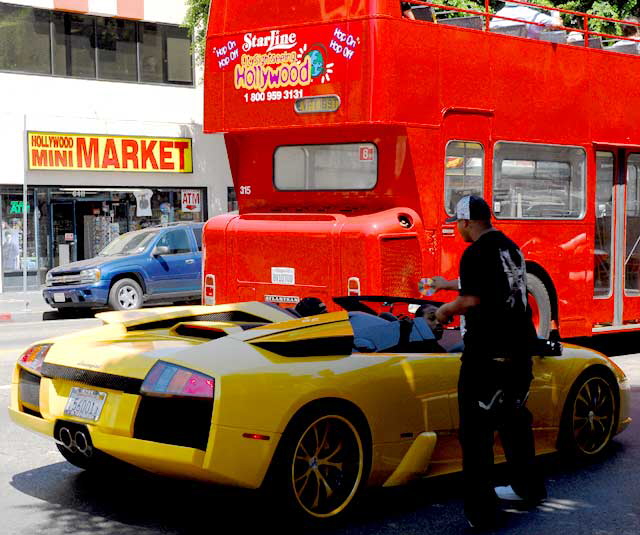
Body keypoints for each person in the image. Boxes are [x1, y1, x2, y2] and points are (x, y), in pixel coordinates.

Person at [430, 195, 545, 529]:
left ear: (467, 222)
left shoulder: (474, 252)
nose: (456, 228)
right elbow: (496, 284)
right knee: (515, 423)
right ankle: (528, 488)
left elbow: (471, 299)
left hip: (487, 357)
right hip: (519, 354)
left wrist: (442, 310)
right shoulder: (510, 248)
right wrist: (445, 284)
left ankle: (482, 512)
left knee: (476, 434)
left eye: (457, 223)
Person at [490, 1, 562, 39]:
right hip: (528, 58)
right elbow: (557, 24)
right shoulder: (532, 14)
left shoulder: (497, 16)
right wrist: (555, 13)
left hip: (501, 58)